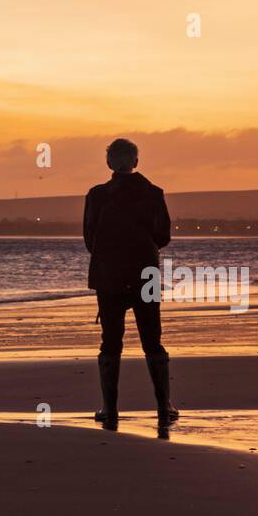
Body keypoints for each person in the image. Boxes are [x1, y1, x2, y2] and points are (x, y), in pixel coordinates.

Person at [83, 138, 178, 425]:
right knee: (152, 340)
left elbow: (90, 240)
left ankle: (109, 409)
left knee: (111, 341)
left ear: (110, 163)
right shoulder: (153, 193)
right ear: (135, 162)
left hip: (108, 275)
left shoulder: (97, 195)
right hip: (145, 273)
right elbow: (163, 237)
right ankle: (164, 407)